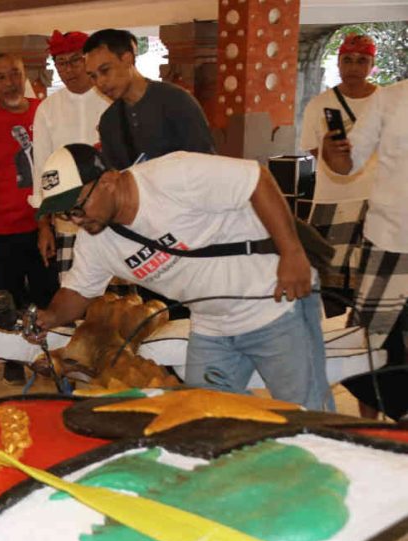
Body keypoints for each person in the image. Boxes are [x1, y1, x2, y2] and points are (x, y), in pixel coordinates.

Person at [31, 144, 334, 411]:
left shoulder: (173, 176)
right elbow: (77, 292)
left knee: (306, 415)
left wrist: (293, 254)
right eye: (64, 215)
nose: (75, 221)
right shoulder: (95, 240)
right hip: (211, 326)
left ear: (108, 181)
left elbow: (257, 180)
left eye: (77, 208)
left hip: (274, 305)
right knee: (205, 417)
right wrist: (47, 318)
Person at [0, 53, 59, 385]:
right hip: (2, 228)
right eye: (1, 77)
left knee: (48, 294)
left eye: (16, 74)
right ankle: (12, 357)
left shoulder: (44, 112)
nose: (10, 83)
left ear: (26, 75)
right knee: (8, 298)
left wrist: (48, 219)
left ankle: (49, 354)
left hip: (42, 225)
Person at [322, 78, 408, 420]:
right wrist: (332, 154)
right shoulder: (389, 98)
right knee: (370, 344)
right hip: (388, 239)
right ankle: (366, 433)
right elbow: (347, 164)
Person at [300, 34, 379, 304]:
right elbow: (314, 150)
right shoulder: (319, 104)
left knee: (373, 278)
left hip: (377, 200)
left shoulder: (388, 102)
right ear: (338, 63)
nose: (354, 66)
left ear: (372, 65)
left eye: (362, 60)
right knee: (325, 279)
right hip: (330, 198)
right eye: (348, 59)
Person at [31, 30, 110, 279]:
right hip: (68, 219)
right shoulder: (47, 109)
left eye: (76, 60)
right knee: (74, 289)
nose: (70, 69)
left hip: (112, 215)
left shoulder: (111, 101)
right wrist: (44, 226)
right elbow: (42, 169)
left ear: (88, 59)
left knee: (115, 301)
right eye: (61, 62)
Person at [84, 29, 214, 170]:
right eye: (93, 76)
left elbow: (205, 163)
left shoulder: (175, 101)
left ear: (128, 59)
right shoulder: (109, 121)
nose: (100, 83)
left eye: (105, 70)